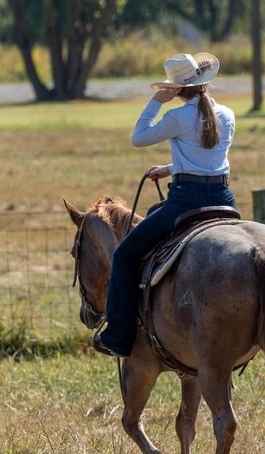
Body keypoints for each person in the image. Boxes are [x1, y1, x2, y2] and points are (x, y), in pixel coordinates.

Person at [93, 52, 237, 358]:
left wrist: (157, 101)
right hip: (224, 198)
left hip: (186, 201)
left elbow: (139, 138)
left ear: (177, 90)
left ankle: (118, 336)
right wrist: (172, 167)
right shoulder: (227, 114)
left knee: (125, 256)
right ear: (205, 82)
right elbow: (210, 157)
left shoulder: (176, 117)